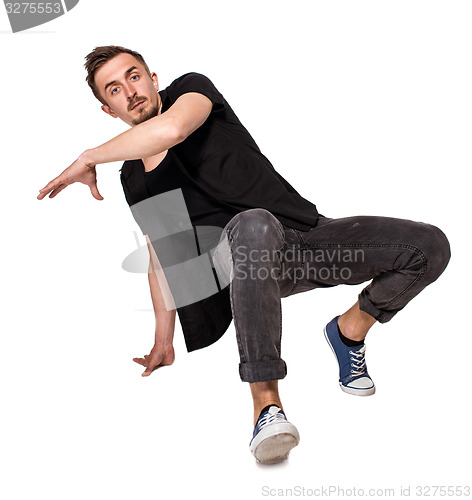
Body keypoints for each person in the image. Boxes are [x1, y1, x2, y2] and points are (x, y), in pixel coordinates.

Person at [37, 45, 451, 465]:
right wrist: (163, 339)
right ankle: (267, 407)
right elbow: (162, 253)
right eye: (114, 89)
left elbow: (174, 129)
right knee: (252, 224)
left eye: (134, 76)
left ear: (153, 78)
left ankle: (349, 331)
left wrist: (89, 156)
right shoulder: (133, 175)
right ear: (109, 110)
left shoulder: (192, 91)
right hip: (232, 264)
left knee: (428, 247)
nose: (130, 90)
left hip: (301, 238)